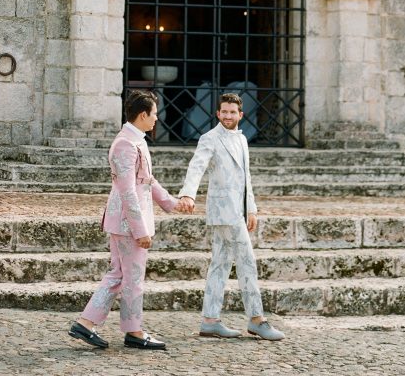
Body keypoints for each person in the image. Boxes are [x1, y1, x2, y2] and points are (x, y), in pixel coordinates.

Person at [69, 89, 181, 351]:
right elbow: (128, 191)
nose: (157, 118)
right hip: (127, 222)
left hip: (127, 221)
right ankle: (132, 331)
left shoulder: (136, 141)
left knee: (120, 275)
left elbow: (146, 181)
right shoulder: (125, 144)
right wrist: (140, 230)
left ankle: (91, 324)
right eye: (154, 114)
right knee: (130, 278)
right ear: (143, 114)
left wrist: (170, 203)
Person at [178, 91, 285, 341]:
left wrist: (252, 208)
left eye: (232, 112)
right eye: (223, 112)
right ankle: (257, 319)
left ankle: (210, 320)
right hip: (223, 212)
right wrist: (188, 194)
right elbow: (197, 166)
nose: (227, 116)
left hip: (238, 211)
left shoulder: (243, 139)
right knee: (247, 262)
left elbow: (246, 178)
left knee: (220, 264)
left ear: (240, 114)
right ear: (218, 113)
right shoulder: (210, 138)